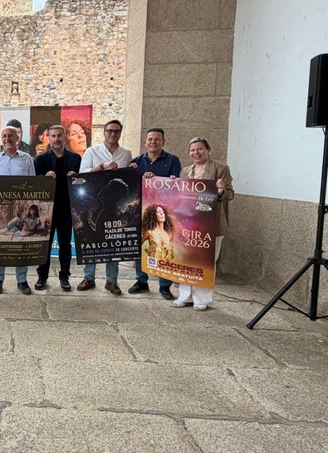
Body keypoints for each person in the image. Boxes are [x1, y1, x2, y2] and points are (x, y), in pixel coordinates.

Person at [173, 137, 234, 311]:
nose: (196, 153)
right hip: (189, 222)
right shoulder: (185, 171)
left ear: (208, 150)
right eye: (192, 150)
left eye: (200, 149)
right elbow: (180, 195)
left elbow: (230, 194)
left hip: (210, 223)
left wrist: (221, 191)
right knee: (186, 259)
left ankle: (202, 299)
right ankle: (185, 296)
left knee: (206, 261)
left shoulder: (221, 169)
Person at [78, 120, 133, 295]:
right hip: (94, 198)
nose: (112, 134)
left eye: (116, 131)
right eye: (109, 131)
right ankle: (89, 277)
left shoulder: (126, 153)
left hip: (113, 204)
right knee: (92, 241)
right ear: (104, 132)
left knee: (113, 241)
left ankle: (111, 281)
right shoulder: (92, 151)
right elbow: (82, 173)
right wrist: (100, 167)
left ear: (120, 133)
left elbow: (129, 176)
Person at [127, 128, 182, 300]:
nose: (153, 142)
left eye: (157, 139)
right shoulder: (136, 161)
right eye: (150, 139)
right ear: (145, 142)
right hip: (141, 211)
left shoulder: (173, 160)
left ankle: (165, 286)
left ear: (163, 142)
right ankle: (141, 280)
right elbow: (130, 186)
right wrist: (131, 172)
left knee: (164, 247)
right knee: (141, 247)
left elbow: (177, 184)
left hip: (163, 212)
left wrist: (160, 178)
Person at [0, 126, 36, 295]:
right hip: (0, 208)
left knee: (21, 243)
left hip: (21, 208)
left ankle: (22, 281)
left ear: (18, 139)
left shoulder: (27, 159)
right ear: (1, 139)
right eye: (4, 136)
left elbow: (33, 184)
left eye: (11, 136)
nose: (7, 139)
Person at [34, 124, 81, 291]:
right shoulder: (40, 159)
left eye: (59, 135)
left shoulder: (76, 159)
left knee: (65, 244)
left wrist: (76, 178)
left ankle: (64, 277)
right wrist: (43, 178)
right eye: (53, 136)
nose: (56, 139)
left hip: (66, 209)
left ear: (65, 136)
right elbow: (33, 185)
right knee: (44, 244)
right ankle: (42, 276)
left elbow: (82, 184)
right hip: (46, 210)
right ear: (48, 138)